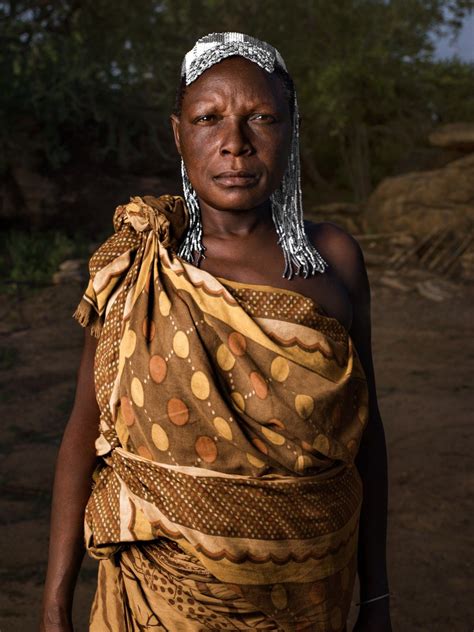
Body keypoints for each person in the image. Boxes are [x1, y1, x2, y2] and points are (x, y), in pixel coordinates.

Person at [41, 32, 392, 632]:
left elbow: (368, 434)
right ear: (178, 134)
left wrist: (377, 597)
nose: (235, 143)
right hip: (160, 597)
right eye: (209, 118)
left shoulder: (333, 260)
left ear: (290, 130)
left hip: (315, 593)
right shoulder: (140, 264)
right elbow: (83, 428)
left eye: (261, 118)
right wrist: (53, 606)